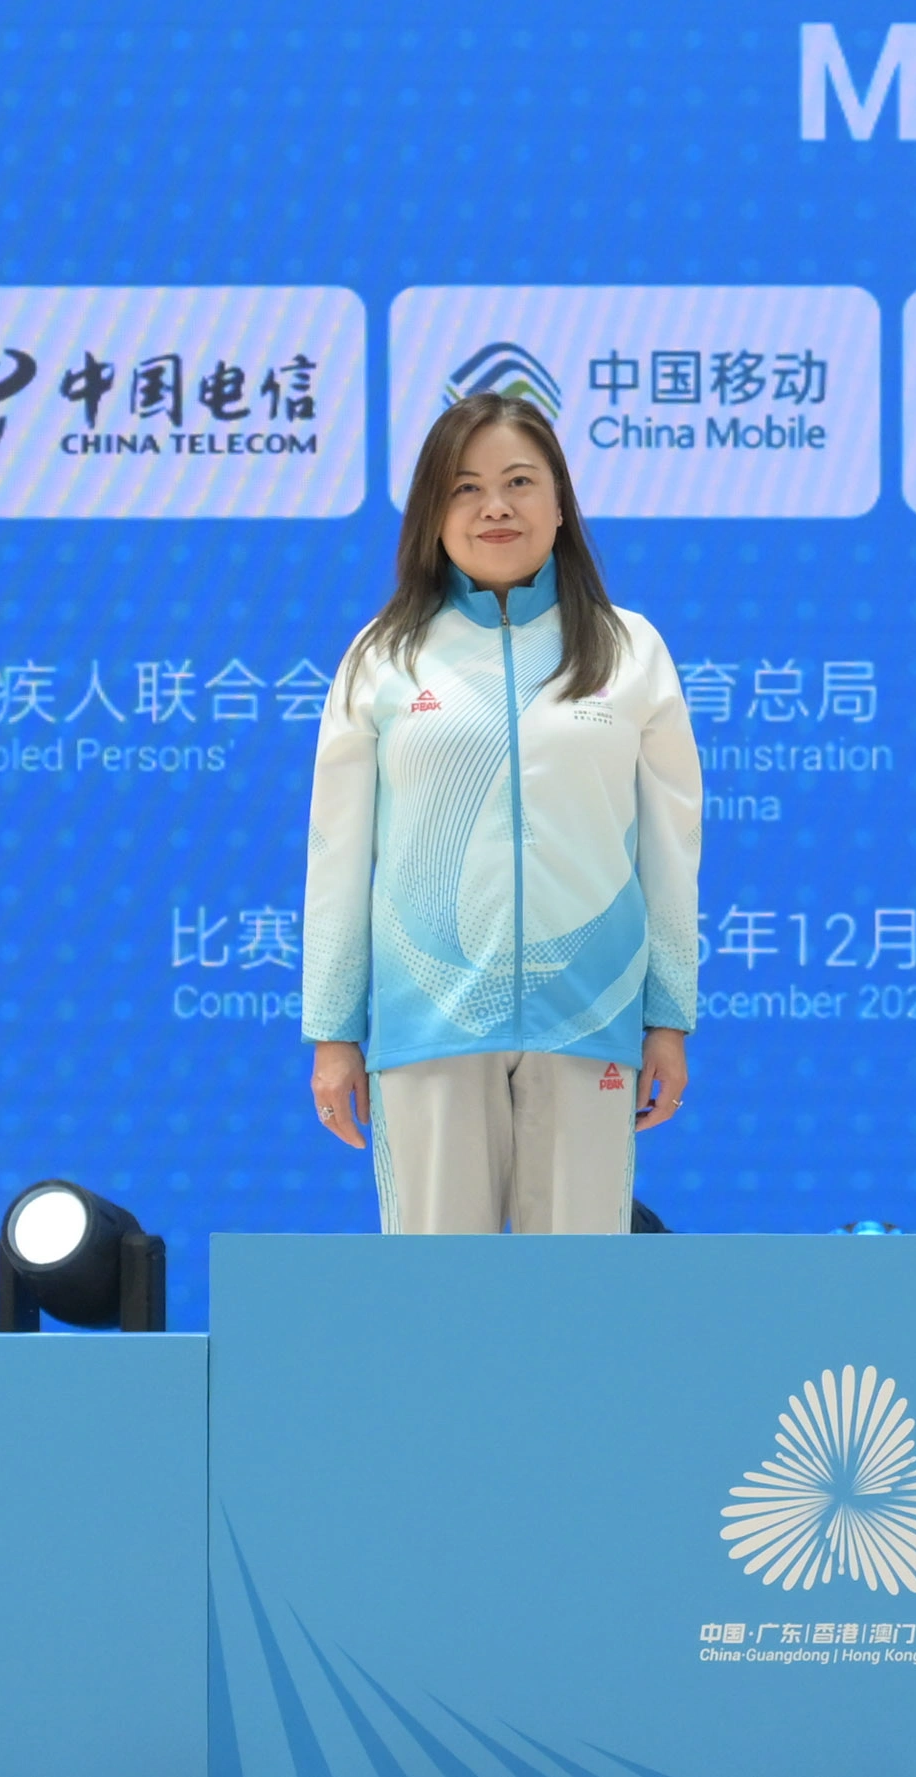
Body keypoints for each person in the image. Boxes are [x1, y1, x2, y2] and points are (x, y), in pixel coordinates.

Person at [302, 389, 702, 1232]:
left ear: (559, 504)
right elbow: (337, 855)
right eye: (465, 487)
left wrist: (667, 1016)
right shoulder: (384, 657)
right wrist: (334, 1031)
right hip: (430, 1022)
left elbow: (671, 849)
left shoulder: (630, 650)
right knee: (439, 1293)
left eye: (520, 481)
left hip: (590, 1015)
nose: (495, 506)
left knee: (576, 1293)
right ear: (432, 514)